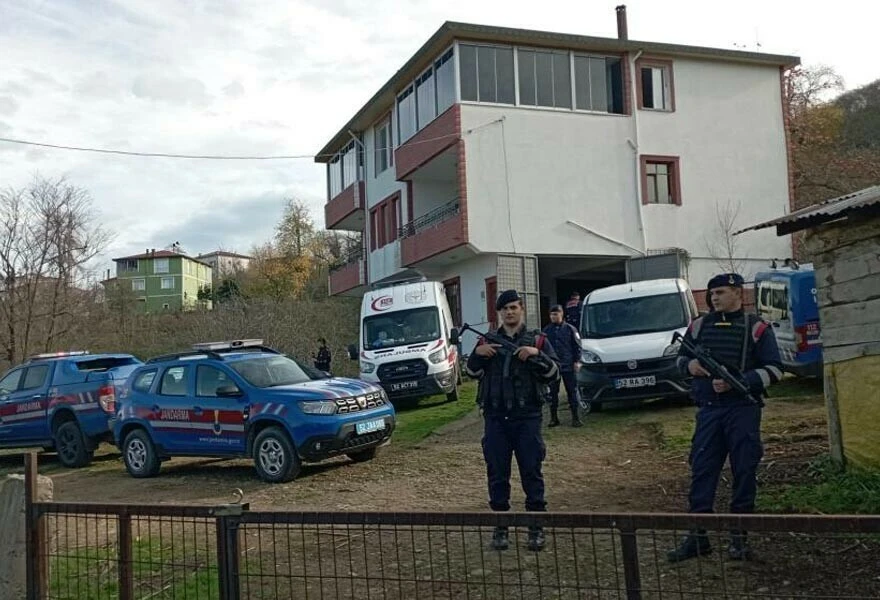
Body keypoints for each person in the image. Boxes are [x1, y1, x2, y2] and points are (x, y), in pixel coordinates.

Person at [667, 273, 783, 563]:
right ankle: (698, 536)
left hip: (742, 409)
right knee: (702, 470)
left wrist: (741, 381)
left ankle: (739, 538)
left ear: (737, 293)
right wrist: (690, 365)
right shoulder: (698, 326)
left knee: (744, 471)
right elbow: (678, 360)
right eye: (712, 293)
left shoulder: (756, 328)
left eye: (720, 292)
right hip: (708, 409)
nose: (714, 298)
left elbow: (776, 370)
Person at [466, 289, 561, 552]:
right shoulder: (487, 340)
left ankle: (536, 529)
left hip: (527, 417)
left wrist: (535, 355)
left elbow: (554, 374)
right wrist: (479, 354)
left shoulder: (539, 340)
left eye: (514, 307)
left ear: (522, 309)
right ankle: (500, 528)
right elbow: (471, 372)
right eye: (505, 308)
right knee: (497, 474)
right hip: (496, 418)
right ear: (499, 313)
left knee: (532, 472)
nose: (509, 312)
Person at [542, 305, 583, 427]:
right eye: (552, 314)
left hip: (568, 365)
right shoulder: (547, 331)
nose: (553, 317)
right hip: (553, 367)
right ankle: (554, 418)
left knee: (572, 392)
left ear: (562, 314)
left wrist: (577, 361)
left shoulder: (570, 329)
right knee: (553, 394)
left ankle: (575, 418)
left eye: (556, 314)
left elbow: (577, 346)